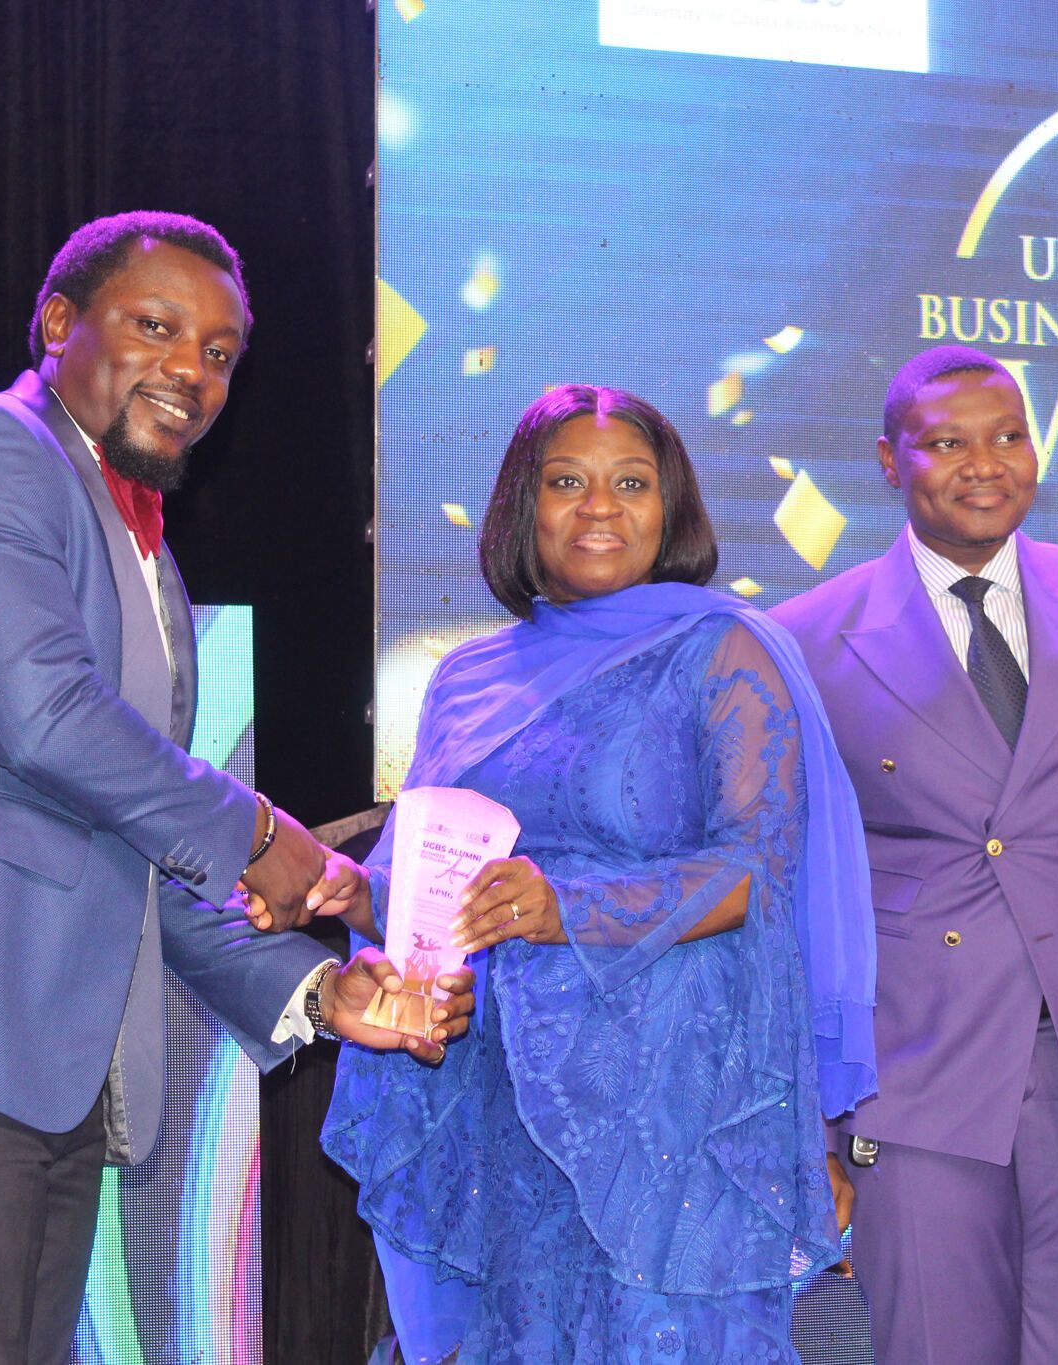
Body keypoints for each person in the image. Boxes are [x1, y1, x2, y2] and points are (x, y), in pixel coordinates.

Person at [0, 211, 471, 1364]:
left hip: (50, 1064)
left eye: (220, 352)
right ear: (56, 323)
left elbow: (138, 852)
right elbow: (45, 719)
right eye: (155, 326)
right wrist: (264, 834)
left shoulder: (151, 560)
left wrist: (317, 990)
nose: (191, 369)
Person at [315, 384, 877, 1364]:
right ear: (522, 506)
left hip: (670, 1110)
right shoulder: (466, 676)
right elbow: (427, 882)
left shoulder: (723, 647)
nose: (600, 507)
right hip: (501, 1103)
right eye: (567, 482)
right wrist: (341, 886)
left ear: (670, 508)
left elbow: (757, 870)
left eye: (631, 483)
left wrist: (562, 907)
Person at [769, 345, 1058, 1365]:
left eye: (1008, 437)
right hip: (913, 1070)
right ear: (889, 460)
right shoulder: (806, 637)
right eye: (947, 443)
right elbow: (790, 893)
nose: (984, 464)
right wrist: (813, 1125)